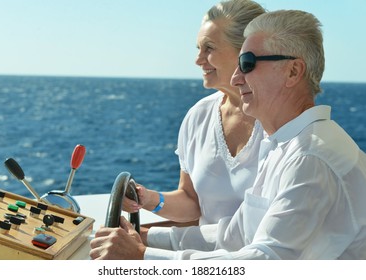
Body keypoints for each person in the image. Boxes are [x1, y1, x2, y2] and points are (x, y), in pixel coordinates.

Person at [90, 9, 366, 260]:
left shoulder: (310, 156)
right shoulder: (281, 145)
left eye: (246, 63)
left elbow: (266, 261)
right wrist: (146, 238)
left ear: (293, 71)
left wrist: (141, 256)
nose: (236, 78)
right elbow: (235, 235)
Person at [123, 0, 266, 225]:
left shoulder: (279, 120)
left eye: (208, 48)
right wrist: (148, 198)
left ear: (245, 52)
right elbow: (191, 202)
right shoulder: (198, 115)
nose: (198, 60)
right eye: (198, 49)